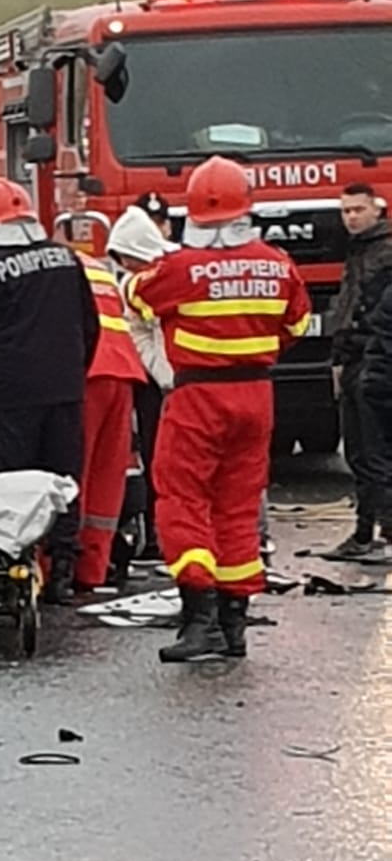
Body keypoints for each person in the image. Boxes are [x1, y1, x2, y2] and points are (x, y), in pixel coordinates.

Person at [125, 156, 312, 662]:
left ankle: (199, 618)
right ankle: (234, 624)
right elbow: (297, 325)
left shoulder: (181, 268)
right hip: (256, 395)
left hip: (198, 396)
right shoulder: (277, 263)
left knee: (182, 499)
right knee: (238, 506)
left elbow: (138, 297)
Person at [0, 178, 100, 603]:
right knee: (63, 481)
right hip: (65, 389)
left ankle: (13, 571)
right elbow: (90, 325)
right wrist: (74, 373)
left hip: (11, 394)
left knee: (7, 484)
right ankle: (62, 570)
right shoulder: (66, 259)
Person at [73, 250, 148, 593]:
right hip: (121, 371)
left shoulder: (54, 266)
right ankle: (94, 568)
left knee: (73, 473)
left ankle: (57, 565)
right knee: (107, 475)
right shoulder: (95, 267)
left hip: (86, 373)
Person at [327, 183, 392, 561]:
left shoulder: (385, 253)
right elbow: (348, 307)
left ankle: (382, 533)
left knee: (376, 451)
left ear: (377, 210)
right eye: (345, 211)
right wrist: (338, 358)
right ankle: (365, 533)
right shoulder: (357, 250)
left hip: (375, 360)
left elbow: (376, 315)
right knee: (359, 452)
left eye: (357, 209)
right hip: (355, 359)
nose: (350, 217)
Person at [108, 204, 176, 562]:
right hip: (155, 384)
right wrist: (161, 374)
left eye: (128, 257)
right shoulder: (132, 286)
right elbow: (141, 334)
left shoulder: (173, 273)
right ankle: (157, 535)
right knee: (155, 459)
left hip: (184, 382)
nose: (125, 265)